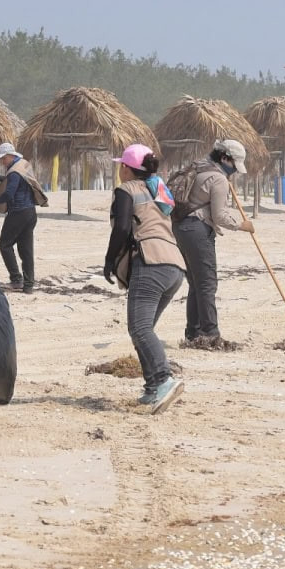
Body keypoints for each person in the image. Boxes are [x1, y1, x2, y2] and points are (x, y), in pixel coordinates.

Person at [103, 144, 186, 414]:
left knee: (139, 328)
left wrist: (109, 260)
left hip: (151, 262)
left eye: (121, 165)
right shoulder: (157, 189)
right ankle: (152, 388)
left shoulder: (126, 190)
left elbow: (123, 228)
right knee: (142, 329)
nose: (119, 170)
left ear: (126, 168)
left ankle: (163, 379)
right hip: (175, 265)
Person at [172, 138, 256, 345]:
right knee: (207, 283)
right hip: (198, 230)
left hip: (180, 228)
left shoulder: (198, 167)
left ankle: (193, 333)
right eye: (234, 166)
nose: (235, 171)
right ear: (225, 158)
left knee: (196, 283)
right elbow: (219, 216)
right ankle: (210, 333)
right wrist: (241, 225)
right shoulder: (218, 179)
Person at [0, 142, 47, 294]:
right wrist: (1, 178)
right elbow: (17, 182)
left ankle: (16, 279)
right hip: (30, 212)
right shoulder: (22, 165)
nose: (1, 162)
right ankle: (29, 284)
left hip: (18, 212)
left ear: (9, 156)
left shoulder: (13, 172)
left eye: (2, 159)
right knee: (26, 250)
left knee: (4, 245)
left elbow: (9, 194)